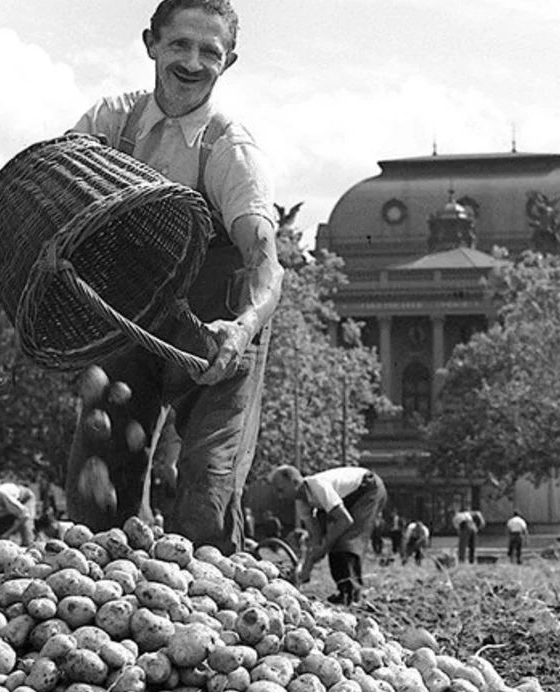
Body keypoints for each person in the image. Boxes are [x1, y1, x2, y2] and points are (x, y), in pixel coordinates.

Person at [62, 0, 283, 555]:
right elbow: (57, 196)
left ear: (228, 62)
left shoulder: (230, 150)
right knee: (98, 492)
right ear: (150, 43)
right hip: (132, 315)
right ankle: (110, 614)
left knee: (204, 497)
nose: (193, 61)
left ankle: (213, 625)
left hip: (217, 327)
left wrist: (243, 329)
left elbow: (265, 261)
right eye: (180, 44)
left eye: (210, 51)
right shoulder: (111, 124)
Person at [269, 464, 385, 605]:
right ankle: (344, 590)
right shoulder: (301, 503)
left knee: (346, 541)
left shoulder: (318, 486)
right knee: (333, 538)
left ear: (294, 482)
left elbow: (345, 520)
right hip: (347, 497)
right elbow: (315, 537)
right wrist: (305, 570)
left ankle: (351, 592)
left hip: (367, 488)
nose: (280, 496)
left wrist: (324, 547)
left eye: (281, 490)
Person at [0, 481, 39, 545]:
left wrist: (7, 533)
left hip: (25, 498)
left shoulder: (3, 496)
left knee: (26, 529)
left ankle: (31, 546)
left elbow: (24, 515)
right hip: (11, 504)